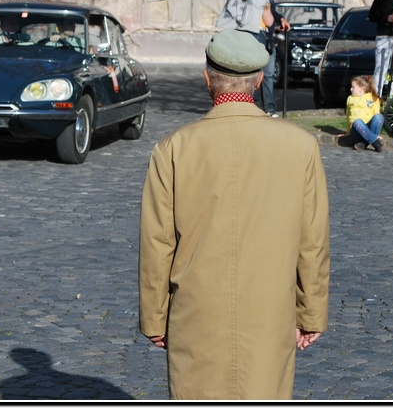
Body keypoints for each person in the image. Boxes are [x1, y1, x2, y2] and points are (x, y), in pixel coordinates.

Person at [139, 29, 330, 400]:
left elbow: (157, 242)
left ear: (207, 78)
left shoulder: (173, 148)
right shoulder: (300, 146)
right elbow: (312, 240)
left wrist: (154, 315)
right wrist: (311, 312)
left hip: (196, 312)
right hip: (270, 312)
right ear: (259, 80)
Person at [216, 0, 278, 116]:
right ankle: (269, 109)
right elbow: (269, 21)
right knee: (264, 74)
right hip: (257, 36)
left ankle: (238, 105)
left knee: (240, 73)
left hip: (236, 36)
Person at [346, 75, 385, 152]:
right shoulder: (350, 99)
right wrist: (347, 132)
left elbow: (376, 116)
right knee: (357, 122)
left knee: (379, 117)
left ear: (362, 89)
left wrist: (375, 134)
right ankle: (375, 142)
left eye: (353, 87)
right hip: (356, 131)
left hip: (369, 128)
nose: (351, 89)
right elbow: (348, 115)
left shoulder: (373, 98)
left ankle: (364, 143)